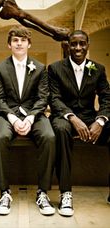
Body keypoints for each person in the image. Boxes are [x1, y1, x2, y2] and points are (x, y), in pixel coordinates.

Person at [0, 25, 56, 216]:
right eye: (15, 40)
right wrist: (12, 118)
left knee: (49, 136)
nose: (19, 43)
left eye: (23, 40)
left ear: (29, 44)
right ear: (9, 45)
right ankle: (4, 192)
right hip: (7, 114)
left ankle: (43, 192)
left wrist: (29, 118)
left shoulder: (40, 68)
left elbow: (43, 97)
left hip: (33, 114)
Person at [48, 30, 110, 216]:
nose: (78, 48)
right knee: (60, 130)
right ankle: (65, 193)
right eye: (73, 44)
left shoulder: (98, 69)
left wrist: (100, 121)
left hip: (91, 116)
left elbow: (107, 98)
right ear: (67, 46)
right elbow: (54, 99)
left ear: (87, 45)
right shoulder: (55, 68)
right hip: (64, 117)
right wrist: (72, 118)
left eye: (82, 44)